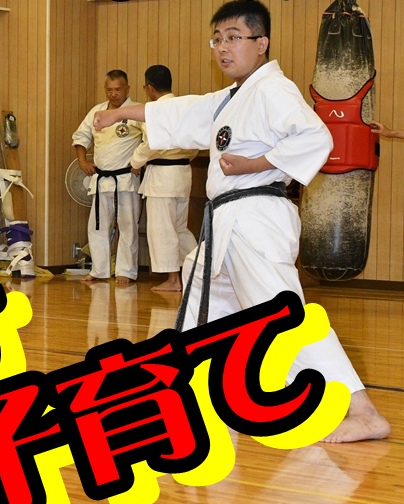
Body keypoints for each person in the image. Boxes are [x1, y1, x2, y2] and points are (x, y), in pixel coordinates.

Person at [93, 0, 389, 443]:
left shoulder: (273, 90)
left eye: (234, 38)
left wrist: (254, 164)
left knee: (282, 317)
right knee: (203, 302)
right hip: (229, 222)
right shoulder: (234, 97)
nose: (223, 48)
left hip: (256, 217)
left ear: (261, 42)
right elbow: (184, 112)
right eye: (217, 39)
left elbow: (316, 136)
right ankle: (202, 398)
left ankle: (362, 411)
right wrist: (121, 113)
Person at [129, 65, 199, 293]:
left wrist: (135, 161)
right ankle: (199, 274)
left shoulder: (155, 111)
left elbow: (153, 144)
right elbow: (195, 143)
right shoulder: (184, 108)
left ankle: (174, 279)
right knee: (180, 229)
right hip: (183, 173)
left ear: (149, 88)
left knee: (163, 230)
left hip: (162, 178)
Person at [72, 70, 143, 286]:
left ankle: (126, 271)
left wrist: (140, 161)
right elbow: (80, 136)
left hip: (126, 179)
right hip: (101, 179)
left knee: (127, 226)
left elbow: (152, 139)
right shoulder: (97, 112)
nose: (113, 94)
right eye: (109, 90)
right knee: (97, 227)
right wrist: (82, 162)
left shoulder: (136, 111)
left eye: (118, 89)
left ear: (127, 89)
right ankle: (99, 270)